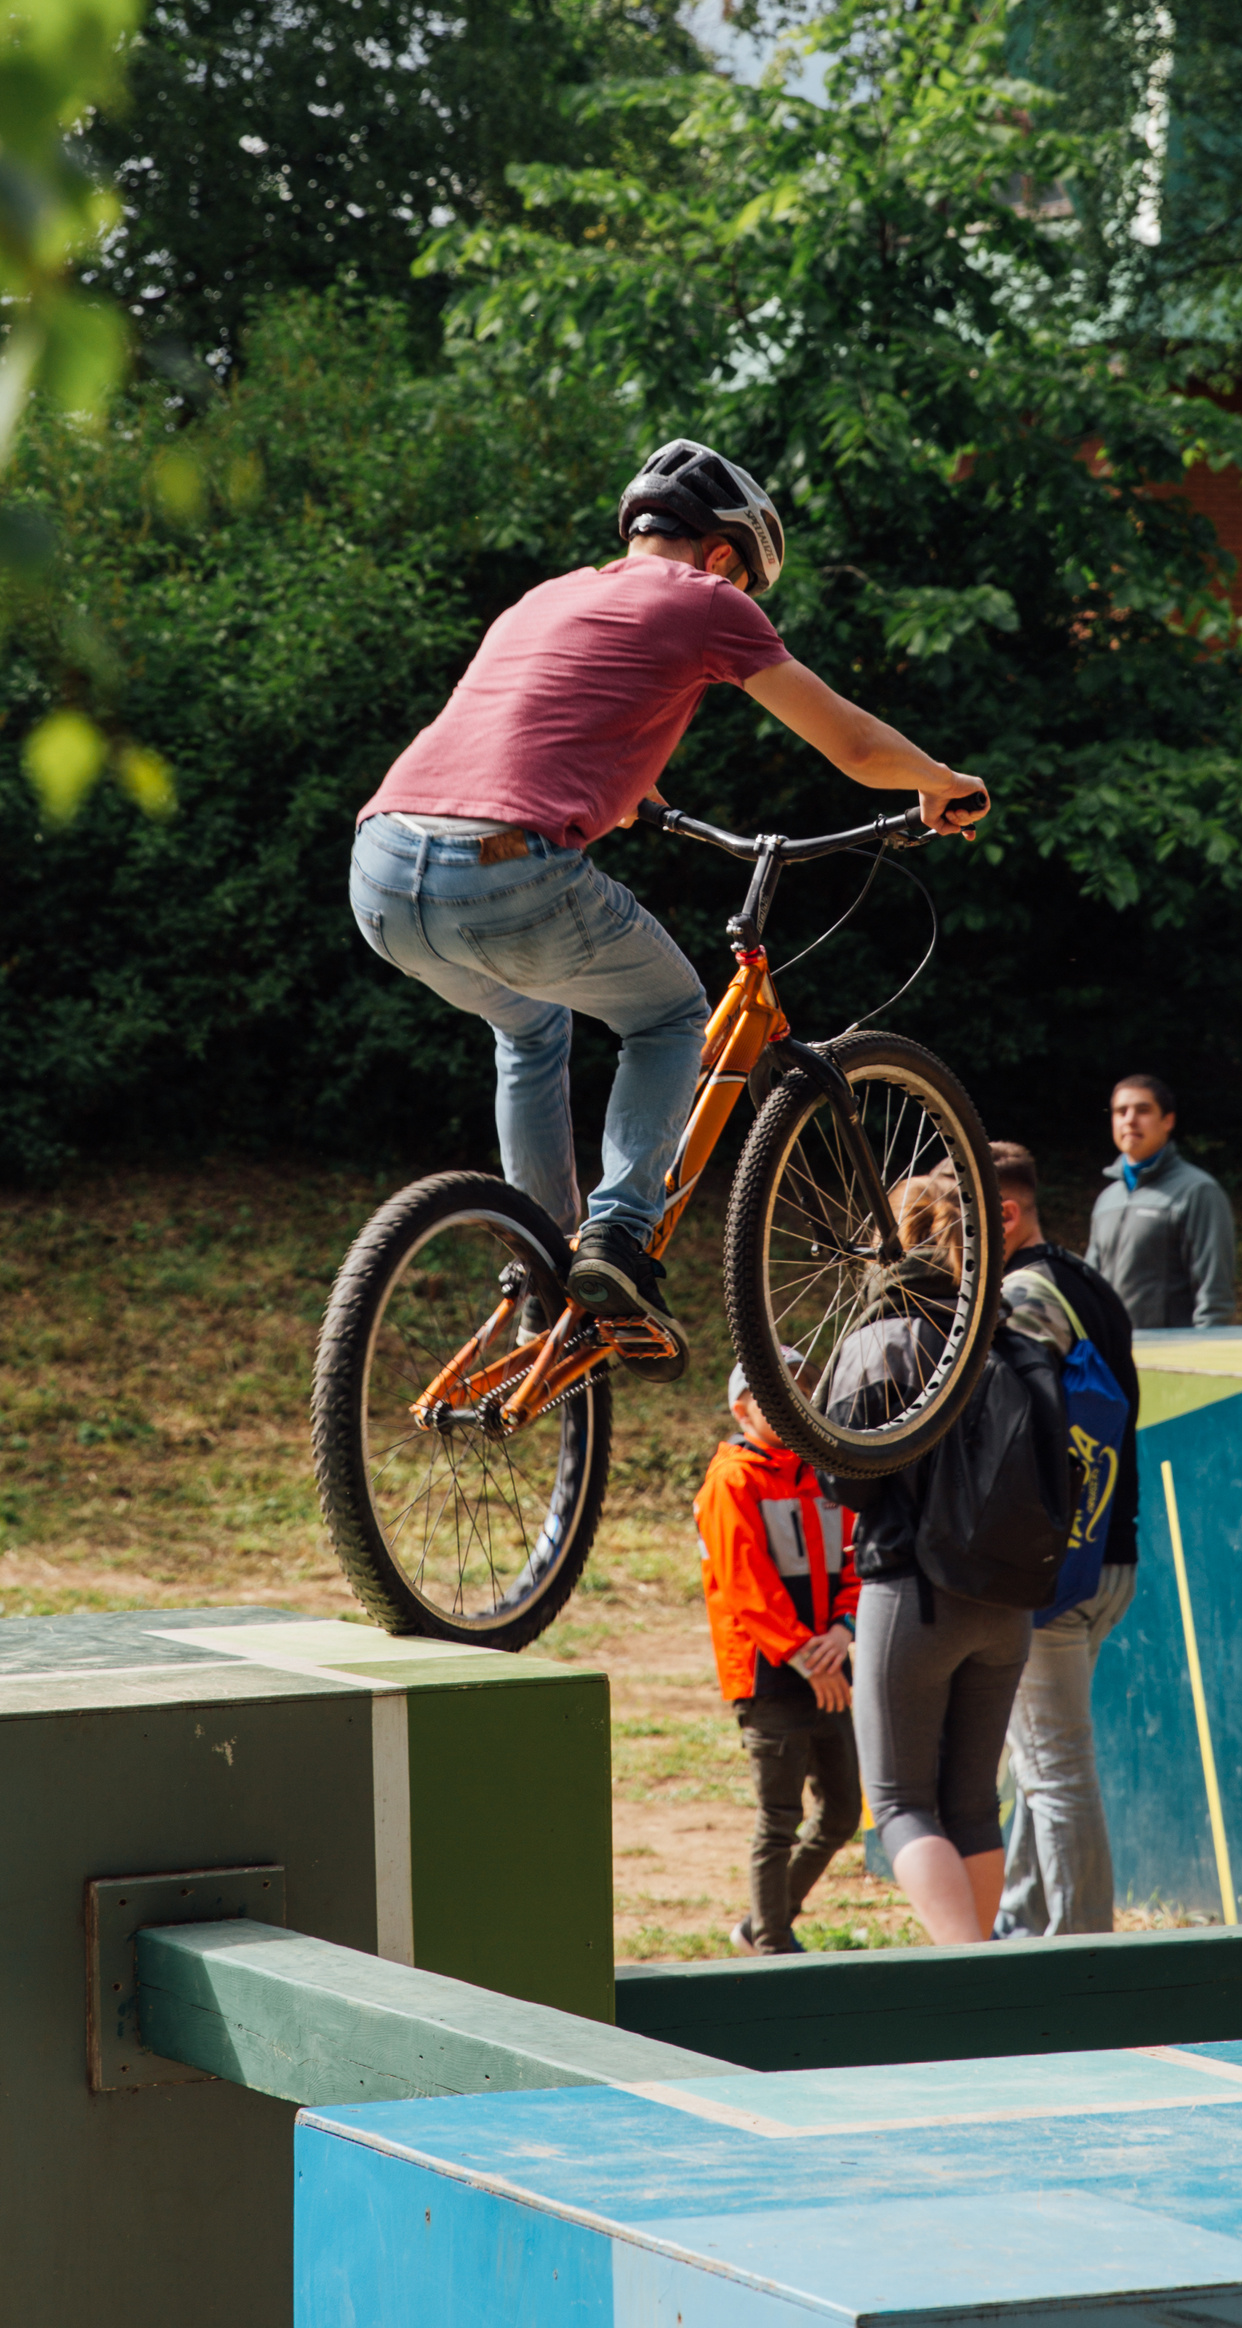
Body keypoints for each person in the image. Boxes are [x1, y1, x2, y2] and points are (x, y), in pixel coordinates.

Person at [349, 440, 990, 1376]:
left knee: (529, 1032)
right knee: (669, 1016)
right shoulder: (706, 602)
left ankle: (545, 1270)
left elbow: (530, 731)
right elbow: (852, 745)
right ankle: (615, 1237)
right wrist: (938, 785)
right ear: (726, 555)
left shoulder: (547, 596)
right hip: (501, 872)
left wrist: (632, 798)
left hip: (380, 871)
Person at [818, 1175, 1032, 1945]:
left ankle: (964, 1965)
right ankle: (991, 1972)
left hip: (912, 1590)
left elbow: (846, 1477)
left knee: (902, 1801)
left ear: (892, 1239)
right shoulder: (1002, 1334)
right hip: (1008, 1600)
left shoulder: (880, 1339)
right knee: (973, 1801)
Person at [988, 1141, 1139, 1938]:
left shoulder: (1021, 1294)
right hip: (1112, 1557)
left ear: (1004, 1212)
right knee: (1040, 1758)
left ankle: (1083, 1954)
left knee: (1056, 1773)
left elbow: (1006, 1430)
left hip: (1058, 1574)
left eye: (973, 1216)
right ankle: (1020, 1925)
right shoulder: (1092, 1284)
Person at [694, 1356, 862, 1957]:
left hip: (828, 1666)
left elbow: (854, 1556)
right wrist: (808, 1659)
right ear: (742, 1409)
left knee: (843, 1812)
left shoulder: (825, 1469)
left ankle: (759, 1924)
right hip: (771, 1678)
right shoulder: (731, 1481)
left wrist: (844, 1629)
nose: (795, 1396)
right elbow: (746, 1588)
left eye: (802, 1385)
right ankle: (771, 1945)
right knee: (778, 1821)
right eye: (774, 1391)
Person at [1086, 1073, 1235, 1330]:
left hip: (1170, 1357)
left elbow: (1215, 1297)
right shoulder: (1107, 1200)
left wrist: (1204, 1354)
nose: (1130, 1120)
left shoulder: (1198, 1191)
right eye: (1121, 1112)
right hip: (1111, 1358)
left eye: (1143, 1110)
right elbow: (1089, 1290)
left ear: (1168, 1120)